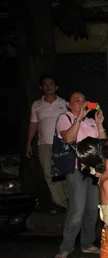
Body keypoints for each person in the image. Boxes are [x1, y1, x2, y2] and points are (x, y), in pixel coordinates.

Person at [55, 93, 107, 258]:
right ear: (69, 104)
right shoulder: (65, 118)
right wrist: (79, 118)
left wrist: (99, 125)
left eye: (84, 99)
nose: (81, 102)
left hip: (92, 170)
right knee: (77, 210)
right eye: (76, 100)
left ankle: (87, 244)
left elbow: (103, 145)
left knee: (92, 209)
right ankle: (66, 247)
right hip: (76, 169)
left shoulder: (91, 121)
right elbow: (69, 138)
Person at [26, 75, 68, 213]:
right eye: (45, 84)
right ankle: (61, 204)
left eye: (51, 84)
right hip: (44, 144)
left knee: (65, 174)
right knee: (49, 174)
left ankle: (71, 201)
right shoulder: (36, 105)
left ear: (56, 87)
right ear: (41, 87)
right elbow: (33, 124)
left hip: (62, 143)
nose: (48, 86)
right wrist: (28, 144)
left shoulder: (65, 103)